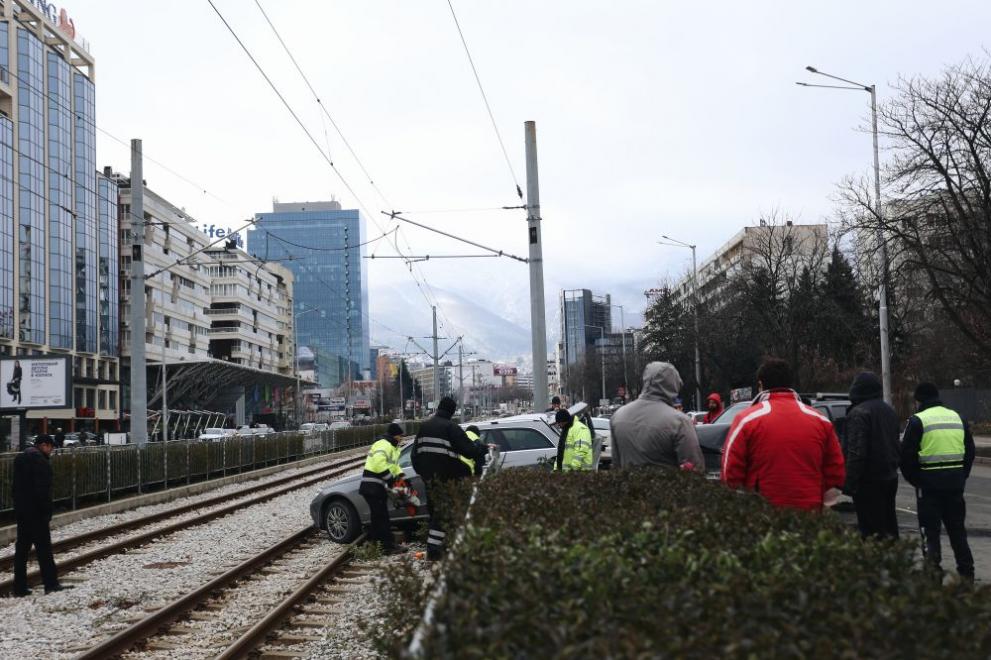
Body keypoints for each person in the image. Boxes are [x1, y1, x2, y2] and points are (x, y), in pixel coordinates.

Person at [721, 358, 845, 511]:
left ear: (760, 385)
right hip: (810, 515)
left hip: (763, 516)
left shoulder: (745, 420)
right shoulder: (821, 420)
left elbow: (730, 474)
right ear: (789, 384)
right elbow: (836, 470)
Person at [900, 382, 975, 581]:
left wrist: (917, 481)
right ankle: (967, 575)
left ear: (918, 401)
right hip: (955, 487)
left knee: (930, 535)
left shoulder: (917, 421)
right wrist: (961, 476)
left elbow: (906, 457)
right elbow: (970, 452)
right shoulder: (958, 417)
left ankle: (933, 577)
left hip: (929, 489)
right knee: (958, 532)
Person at [411, 396, 486, 560]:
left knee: (434, 513)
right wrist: (483, 449)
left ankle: (438, 548)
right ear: (452, 411)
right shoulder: (451, 427)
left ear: (438, 408)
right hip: (447, 480)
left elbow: (414, 456)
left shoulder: (424, 426)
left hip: (429, 480)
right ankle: (436, 550)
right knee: (443, 514)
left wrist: (424, 475)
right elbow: (469, 450)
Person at [610, 362, 705, 472]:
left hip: (628, 487)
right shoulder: (679, 422)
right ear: (673, 385)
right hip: (666, 487)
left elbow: (616, 465)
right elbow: (694, 468)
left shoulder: (618, 416)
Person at [843, 372, 901, 539]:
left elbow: (856, 452)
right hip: (889, 477)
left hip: (868, 480)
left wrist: (848, 483)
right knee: (889, 524)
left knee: (870, 530)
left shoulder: (858, 413)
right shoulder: (889, 411)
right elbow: (896, 444)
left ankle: (876, 562)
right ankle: (893, 560)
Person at [12, 434, 70, 596]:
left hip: (22, 512)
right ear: (44, 445)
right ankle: (51, 584)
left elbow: (15, 487)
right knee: (44, 550)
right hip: (37, 513)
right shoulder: (41, 462)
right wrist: (47, 512)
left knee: (22, 550)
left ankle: (19, 587)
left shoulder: (20, 459)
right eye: (51, 447)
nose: (51, 451)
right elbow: (43, 491)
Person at [358, 423, 405, 553]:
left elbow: (394, 466)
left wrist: (401, 477)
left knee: (378, 516)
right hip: (372, 486)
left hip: (375, 487)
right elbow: (379, 464)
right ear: (395, 435)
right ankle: (387, 546)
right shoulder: (383, 444)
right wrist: (390, 479)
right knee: (382, 517)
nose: (402, 439)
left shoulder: (393, 447)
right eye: (400, 436)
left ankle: (376, 544)